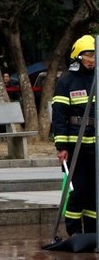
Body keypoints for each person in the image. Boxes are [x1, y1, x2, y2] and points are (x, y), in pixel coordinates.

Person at [53, 34, 97, 236]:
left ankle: (92, 232)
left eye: (95, 55)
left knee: (94, 192)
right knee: (77, 190)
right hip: (75, 147)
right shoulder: (66, 82)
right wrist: (61, 147)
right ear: (78, 57)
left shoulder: (97, 79)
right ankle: (74, 232)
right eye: (89, 55)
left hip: (95, 146)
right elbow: (60, 115)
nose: (93, 59)